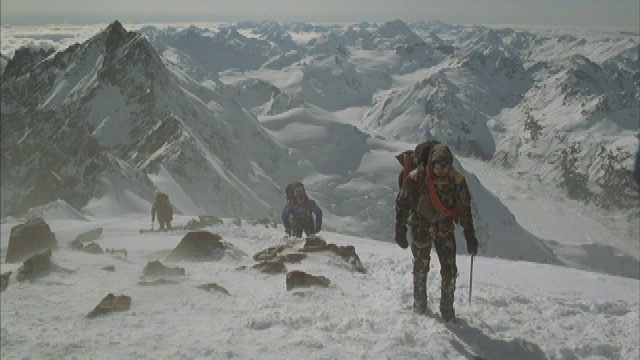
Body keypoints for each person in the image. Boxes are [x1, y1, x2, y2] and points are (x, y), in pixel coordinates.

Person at [395, 143, 478, 321]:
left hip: (445, 228)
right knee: (420, 265)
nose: (442, 169)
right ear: (431, 163)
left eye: (446, 165)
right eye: (439, 165)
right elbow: (403, 204)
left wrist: (470, 234)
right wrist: (400, 229)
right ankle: (419, 303)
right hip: (420, 226)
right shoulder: (416, 178)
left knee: (449, 270)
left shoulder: (456, 181)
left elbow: (464, 209)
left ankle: (447, 310)